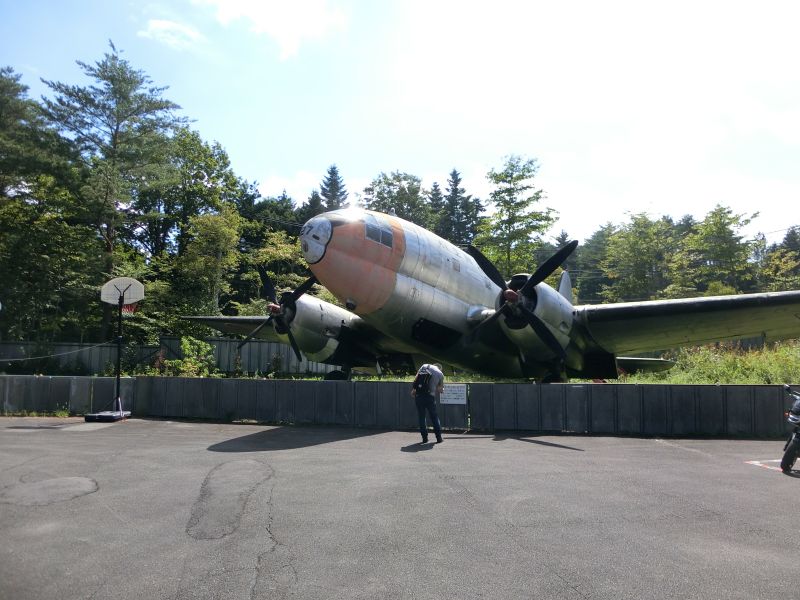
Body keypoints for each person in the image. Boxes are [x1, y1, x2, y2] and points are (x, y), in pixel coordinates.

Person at [411, 363, 444, 444]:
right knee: (434, 417)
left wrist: (414, 390)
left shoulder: (424, 366)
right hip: (430, 397)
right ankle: (438, 438)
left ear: (434, 365)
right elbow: (440, 390)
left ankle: (424, 438)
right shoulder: (440, 374)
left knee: (421, 417)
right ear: (440, 368)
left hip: (419, 396)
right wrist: (441, 388)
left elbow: (416, 379)